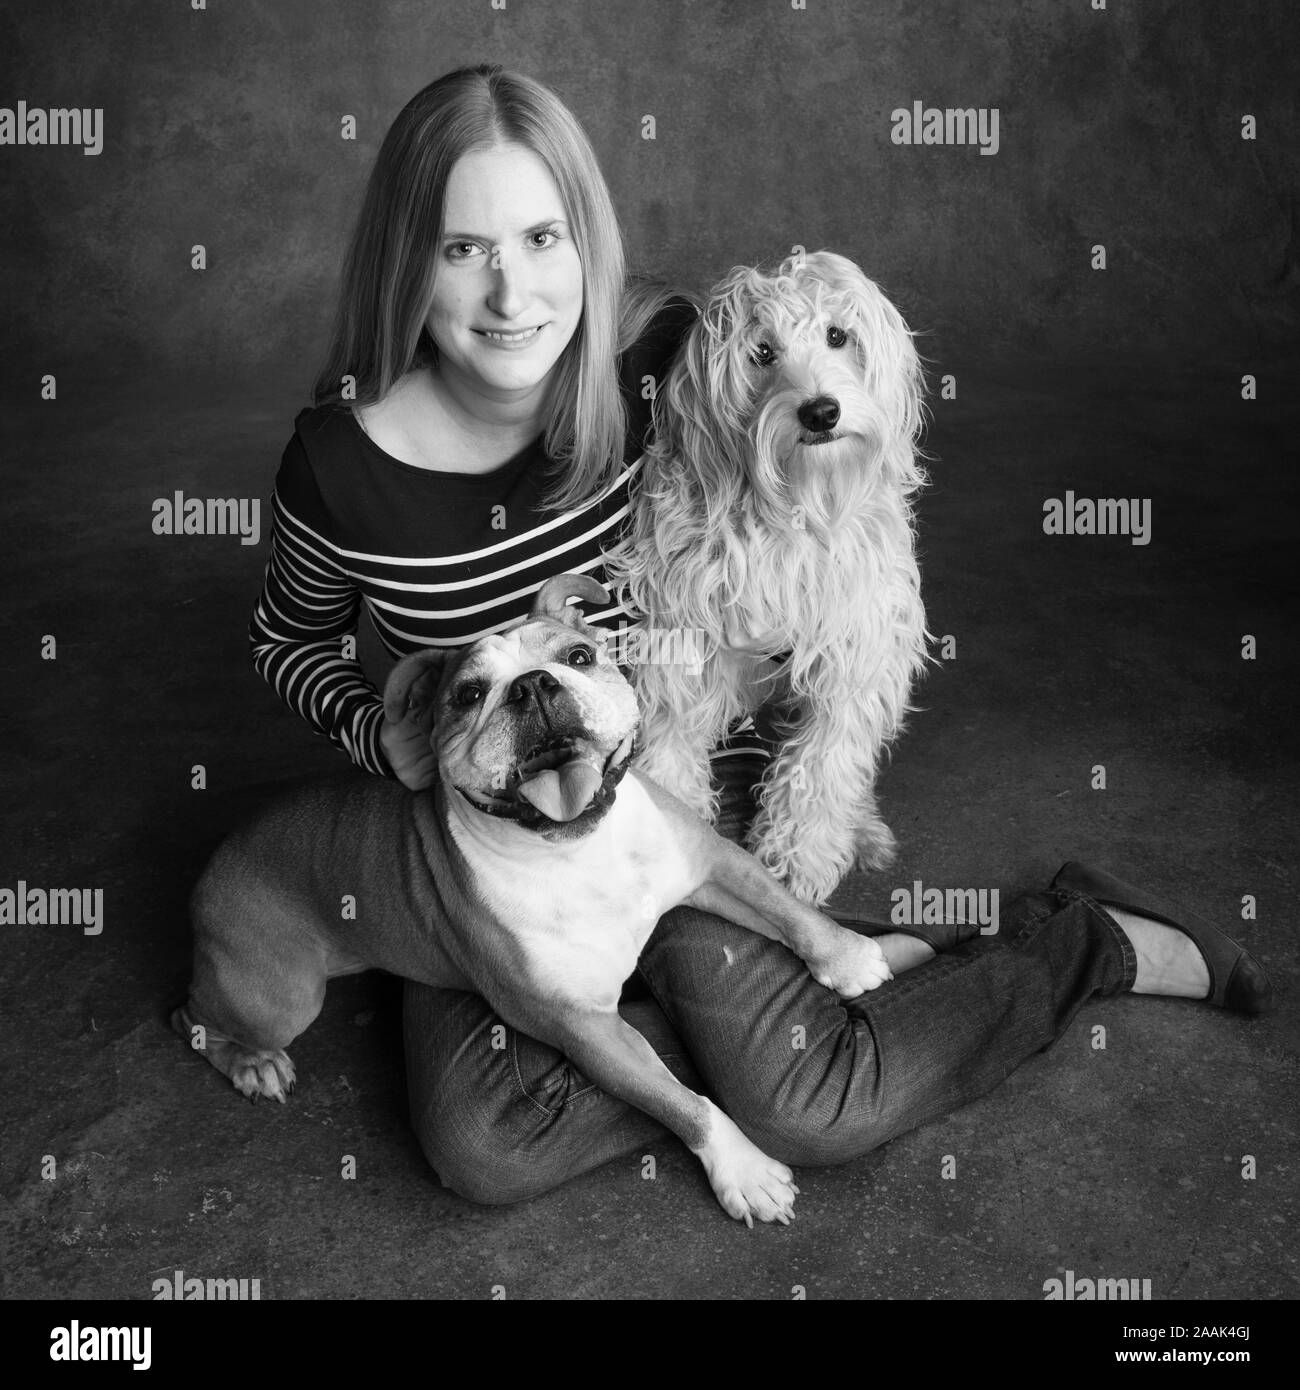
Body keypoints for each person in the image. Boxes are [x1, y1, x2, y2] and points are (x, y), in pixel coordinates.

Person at [249, 64, 1272, 1217]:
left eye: (541, 238)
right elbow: (287, 644)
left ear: (586, 239)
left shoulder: (658, 365)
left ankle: (1081, 944)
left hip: (662, 800)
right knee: (485, 1145)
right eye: (461, 248)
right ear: (403, 258)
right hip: (483, 844)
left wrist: (805, 630)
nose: (511, 294)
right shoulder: (336, 464)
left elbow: (817, 469)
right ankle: (766, 1008)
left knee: (813, 1107)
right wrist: (383, 736)